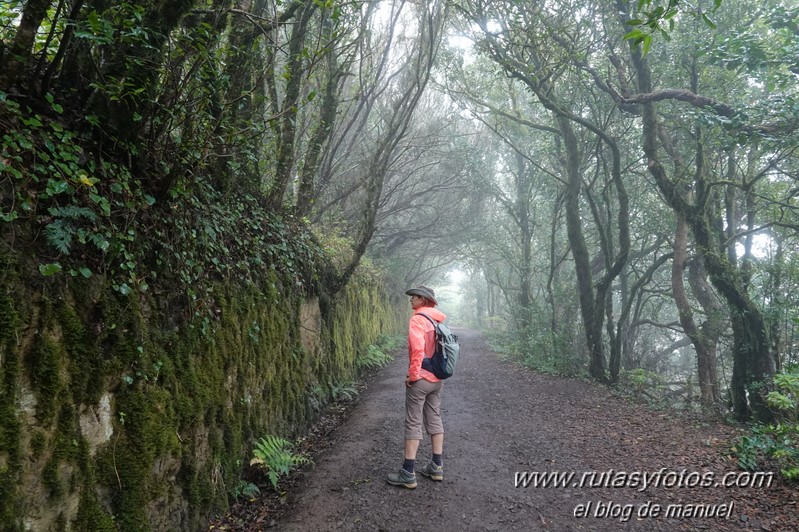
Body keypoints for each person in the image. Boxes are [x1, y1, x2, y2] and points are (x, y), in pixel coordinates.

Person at [386, 285, 446, 489]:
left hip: (420, 379)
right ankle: (436, 467)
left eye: (414, 297)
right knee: (435, 419)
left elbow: (418, 349)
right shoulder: (437, 320)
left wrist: (412, 375)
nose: (410, 300)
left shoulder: (418, 319)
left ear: (422, 299)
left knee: (413, 422)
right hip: (437, 379)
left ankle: (408, 472)